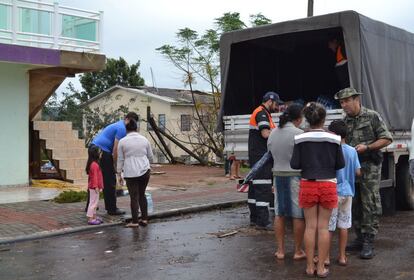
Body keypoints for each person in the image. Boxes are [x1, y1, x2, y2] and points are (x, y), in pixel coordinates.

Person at [334, 87, 393, 259]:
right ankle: (359, 237)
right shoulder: (345, 121)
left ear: (356, 100)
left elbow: (386, 138)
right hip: (352, 168)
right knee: (356, 202)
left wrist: (368, 147)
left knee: (369, 202)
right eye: (341, 102)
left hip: (370, 166)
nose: (344, 105)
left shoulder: (372, 116)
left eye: (346, 101)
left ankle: (369, 241)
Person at [290, 102, 345, 277]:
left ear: (307, 119)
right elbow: (340, 164)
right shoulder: (335, 139)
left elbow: (294, 164)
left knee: (310, 227)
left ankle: (309, 267)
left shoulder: (300, 139)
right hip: (328, 184)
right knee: (323, 228)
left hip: (308, 184)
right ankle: (321, 268)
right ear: (324, 119)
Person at [267, 104, 306, 260]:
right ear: (298, 119)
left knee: (280, 213)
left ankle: (280, 251)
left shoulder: (272, 133)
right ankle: (297, 251)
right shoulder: (300, 134)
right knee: (298, 215)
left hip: (277, 175)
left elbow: (270, 155)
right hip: (296, 176)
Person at [325, 120, 361, 266]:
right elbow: (358, 172)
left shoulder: (331, 150)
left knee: (329, 227)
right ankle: (342, 256)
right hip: (348, 193)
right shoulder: (352, 151)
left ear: (333, 134)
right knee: (344, 225)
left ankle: (325, 257)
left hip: (334, 191)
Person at [89, 112, 139, 216]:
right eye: (133, 123)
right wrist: (116, 166)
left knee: (95, 178)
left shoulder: (118, 124)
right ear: (129, 120)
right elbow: (115, 150)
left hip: (94, 148)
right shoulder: (122, 128)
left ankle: (90, 206)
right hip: (102, 151)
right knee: (110, 181)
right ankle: (112, 209)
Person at [248, 91, 283, 230]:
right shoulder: (261, 113)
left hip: (257, 157)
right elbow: (265, 133)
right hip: (261, 158)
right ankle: (263, 222)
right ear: (270, 101)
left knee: (254, 189)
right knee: (263, 188)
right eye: (276, 103)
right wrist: (280, 135)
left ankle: (255, 218)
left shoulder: (262, 113)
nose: (277, 106)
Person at [117, 119, 153, 228]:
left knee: (134, 197)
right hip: (145, 171)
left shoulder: (122, 141)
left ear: (126, 129)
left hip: (131, 172)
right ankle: (145, 219)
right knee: (142, 194)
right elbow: (150, 156)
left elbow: (120, 159)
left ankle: (135, 221)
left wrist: (119, 173)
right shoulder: (145, 140)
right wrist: (147, 164)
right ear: (136, 128)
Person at [85, 145, 104, 225]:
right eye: (99, 152)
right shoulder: (94, 165)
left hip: (94, 187)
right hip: (94, 188)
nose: (100, 154)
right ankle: (90, 218)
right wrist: (96, 186)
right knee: (93, 203)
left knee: (95, 203)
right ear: (95, 154)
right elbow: (94, 178)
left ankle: (94, 216)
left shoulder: (93, 164)